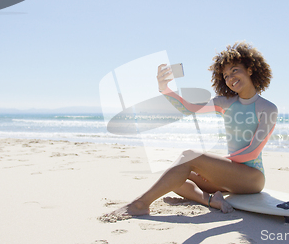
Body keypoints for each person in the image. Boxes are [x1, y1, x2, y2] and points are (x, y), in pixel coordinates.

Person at [102, 42, 278, 221]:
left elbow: (252, 152)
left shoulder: (268, 108)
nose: (230, 77)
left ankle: (140, 204)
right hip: (230, 175)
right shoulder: (226, 102)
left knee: (189, 157)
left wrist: (213, 166)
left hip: (252, 178)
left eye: (234, 70)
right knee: (174, 174)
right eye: (225, 75)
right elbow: (188, 108)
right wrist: (165, 89)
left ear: (250, 69)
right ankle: (211, 201)